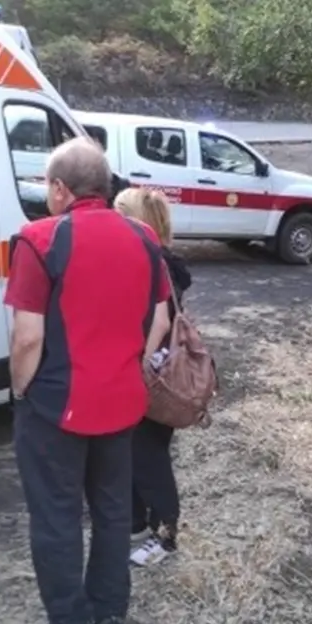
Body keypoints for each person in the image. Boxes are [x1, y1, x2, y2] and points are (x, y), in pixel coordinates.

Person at [5, 137, 172, 624]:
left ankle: (69, 621)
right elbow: (160, 321)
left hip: (55, 409)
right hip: (122, 405)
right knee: (113, 511)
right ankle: (109, 613)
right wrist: (133, 366)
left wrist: (20, 391)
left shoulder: (39, 240)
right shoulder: (145, 239)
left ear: (59, 189)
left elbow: (26, 340)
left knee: (56, 519)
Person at [113, 188, 192, 567]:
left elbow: (159, 321)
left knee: (149, 455)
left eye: (119, 212)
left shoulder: (152, 260)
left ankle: (166, 534)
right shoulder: (158, 257)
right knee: (136, 450)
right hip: (156, 368)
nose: (112, 219)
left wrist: (141, 366)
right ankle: (135, 522)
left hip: (154, 374)